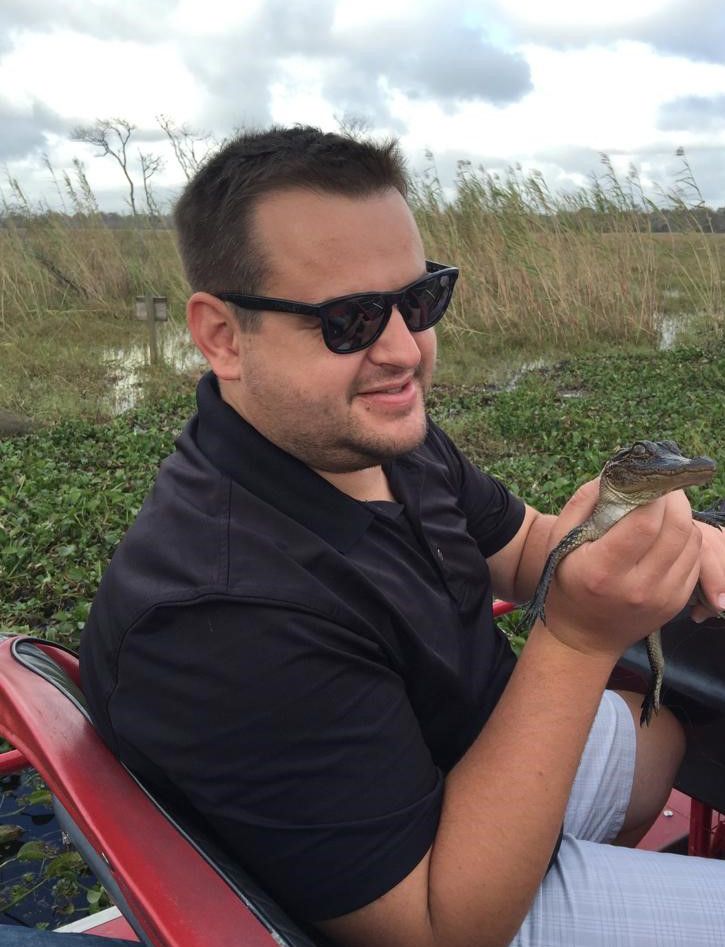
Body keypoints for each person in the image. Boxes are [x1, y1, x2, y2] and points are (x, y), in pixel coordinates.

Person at [79, 125, 725, 947]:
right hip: (434, 898)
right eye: (347, 319)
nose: (402, 351)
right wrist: (577, 636)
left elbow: (526, 547)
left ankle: (574, 868)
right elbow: (434, 930)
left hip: (468, 758)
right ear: (221, 336)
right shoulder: (219, 614)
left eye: (418, 301)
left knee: (659, 731)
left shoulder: (371, 437)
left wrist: (650, 541)